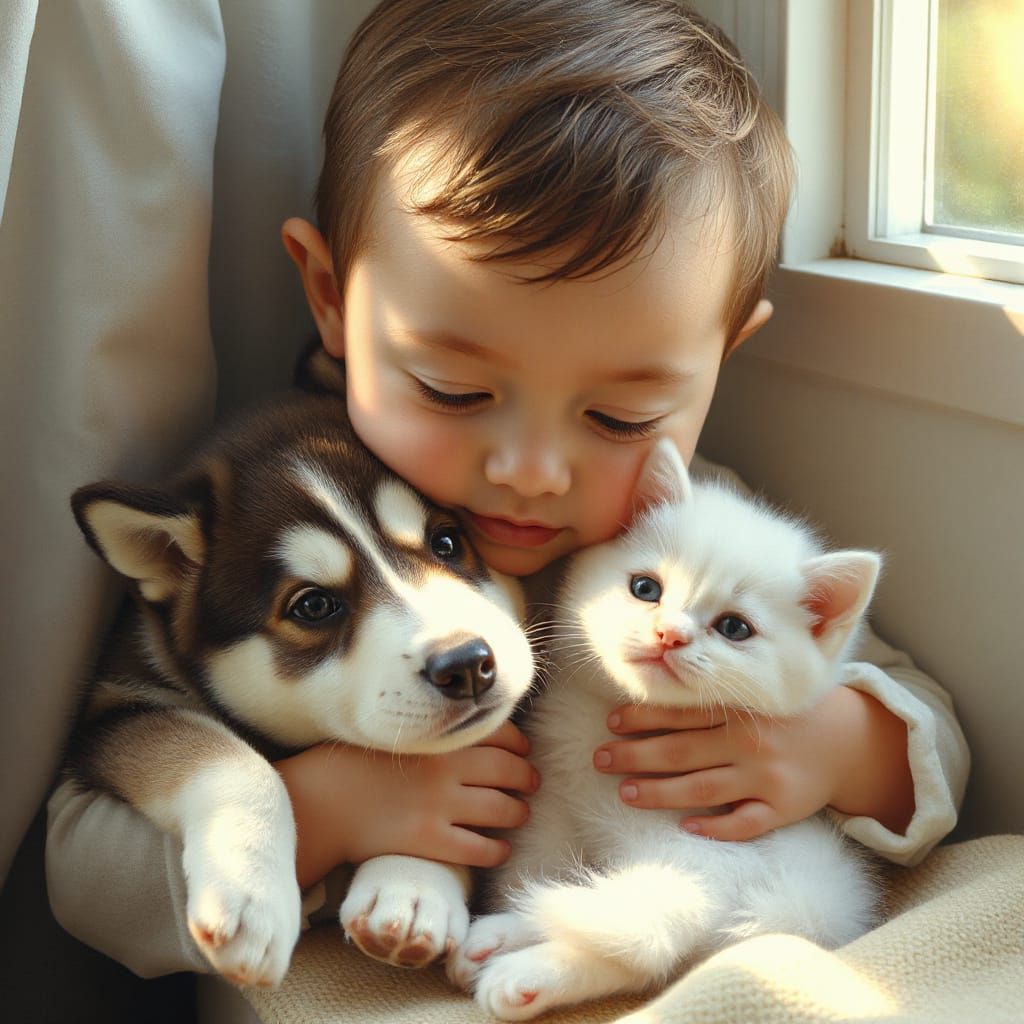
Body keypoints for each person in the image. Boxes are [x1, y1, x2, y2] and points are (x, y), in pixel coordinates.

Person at [46, 0, 968, 980]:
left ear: (719, 362)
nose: (530, 470)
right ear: (331, 299)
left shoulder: (687, 531)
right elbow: (81, 871)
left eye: (619, 415)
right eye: (455, 391)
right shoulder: (287, 521)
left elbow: (928, 725)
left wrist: (838, 747)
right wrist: (320, 812)